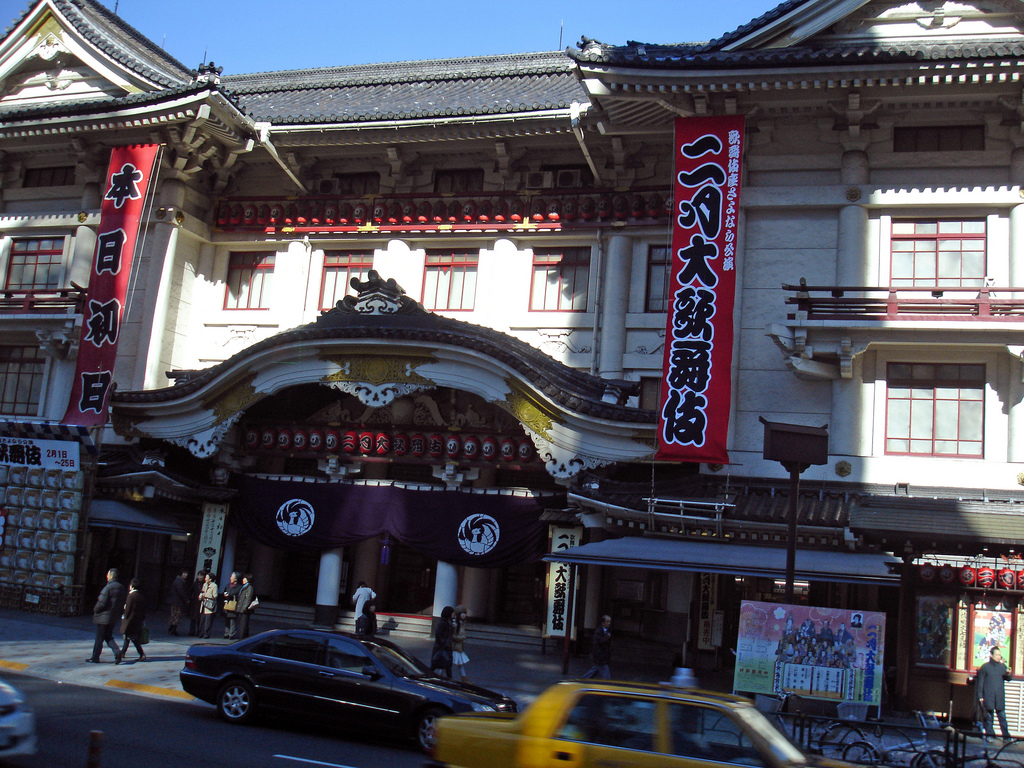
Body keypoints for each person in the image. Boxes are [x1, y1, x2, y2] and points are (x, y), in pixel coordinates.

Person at [88, 568, 127, 663]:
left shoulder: (108, 588)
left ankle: (95, 657)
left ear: (111, 576)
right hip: (113, 616)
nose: (107, 576)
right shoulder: (121, 588)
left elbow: (101, 602)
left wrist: (95, 610)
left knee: (99, 638)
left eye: (108, 574)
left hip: (103, 616)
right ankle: (117, 652)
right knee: (108, 636)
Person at [976, 646, 1013, 743]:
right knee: (988, 718)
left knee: (1002, 717)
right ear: (991, 655)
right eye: (996, 655)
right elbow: (980, 683)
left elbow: (1009, 678)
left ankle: (1006, 737)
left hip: (999, 696)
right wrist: (980, 696)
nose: (998, 657)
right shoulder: (985, 667)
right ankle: (990, 735)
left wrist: (1009, 674)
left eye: (1000, 655)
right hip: (988, 696)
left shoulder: (1002, 667)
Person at [116, 578, 147, 663]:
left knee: (133, 638)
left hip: (130, 620)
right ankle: (123, 653)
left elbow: (127, 609)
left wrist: (124, 616)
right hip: (138, 620)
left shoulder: (131, 596)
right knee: (127, 637)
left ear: (132, 586)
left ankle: (141, 654)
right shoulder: (141, 595)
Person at [582, 615, 612, 679]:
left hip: (603, 656)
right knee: (605, 673)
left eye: (609, 621)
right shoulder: (598, 631)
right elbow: (599, 642)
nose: (609, 623)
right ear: (603, 623)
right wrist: (607, 637)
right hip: (600, 656)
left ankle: (583, 680)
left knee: (595, 669)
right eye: (607, 622)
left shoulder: (607, 631)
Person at [431, 605, 455, 678]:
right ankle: (427, 673)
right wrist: (444, 643)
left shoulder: (449, 622)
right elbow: (438, 634)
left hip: (446, 647)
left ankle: (450, 678)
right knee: (437, 663)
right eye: (452, 613)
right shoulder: (443, 623)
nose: (453, 614)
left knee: (447, 664)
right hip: (442, 647)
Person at [168, 569, 190, 636]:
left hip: (175, 601)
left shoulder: (177, 580)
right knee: (177, 615)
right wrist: (186, 599)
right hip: (178, 601)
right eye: (184, 573)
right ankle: (173, 629)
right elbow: (181, 592)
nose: (185, 575)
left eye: (186, 574)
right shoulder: (180, 582)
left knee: (173, 615)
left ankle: (171, 628)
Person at [452, 604, 470, 682]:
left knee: (459, 664)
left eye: (464, 613)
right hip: (455, 647)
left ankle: (464, 678)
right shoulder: (455, 624)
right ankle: (464, 678)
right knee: (454, 663)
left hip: (459, 647)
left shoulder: (462, 623)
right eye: (462, 613)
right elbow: (452, 635)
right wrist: (460, 638)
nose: (463, 615)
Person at [222, 572, 242, 640]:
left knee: (233, 621)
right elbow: (224, 592)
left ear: (236, 579)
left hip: (233, 605)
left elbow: (239, 597)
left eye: (232, 577)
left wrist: (231, 596)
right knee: (227, 620)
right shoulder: (228, 585)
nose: (230, 578)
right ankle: (226, 633)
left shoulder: (239, 587)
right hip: (227, 605)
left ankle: (231, 634)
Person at [235, 573, 256, 639]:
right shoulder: (244, 587)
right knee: (244, 624)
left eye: (244, 578)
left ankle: (242, 637)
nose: (243, 580)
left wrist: (244, 608)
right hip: (242, 608)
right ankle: (245, 637)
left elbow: (248, 599)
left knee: (243, 624)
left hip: (245, 610)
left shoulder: (249, 587)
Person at [199, 572, 218, 639]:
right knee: (202, 620)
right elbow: (202, 592)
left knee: (208, 621)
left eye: (206, 577)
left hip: (209, 606)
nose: (205, 579)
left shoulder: (214, 586)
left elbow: (215, 596)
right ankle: (201, 633)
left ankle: (206, 634)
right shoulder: (204, 584)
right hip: (204, 604)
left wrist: (206, 595)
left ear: (210, 579)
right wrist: (201, 596)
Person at [189, 570, 206, 636]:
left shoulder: (204, 584)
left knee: (199, 619)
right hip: (194, 602)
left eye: (201, 575)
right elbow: (190, 591)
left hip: (201, 602)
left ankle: (199, 631)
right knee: (193, 618)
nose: (200, 577)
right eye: (199, 575)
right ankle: (191, 631)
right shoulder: (195, 583)